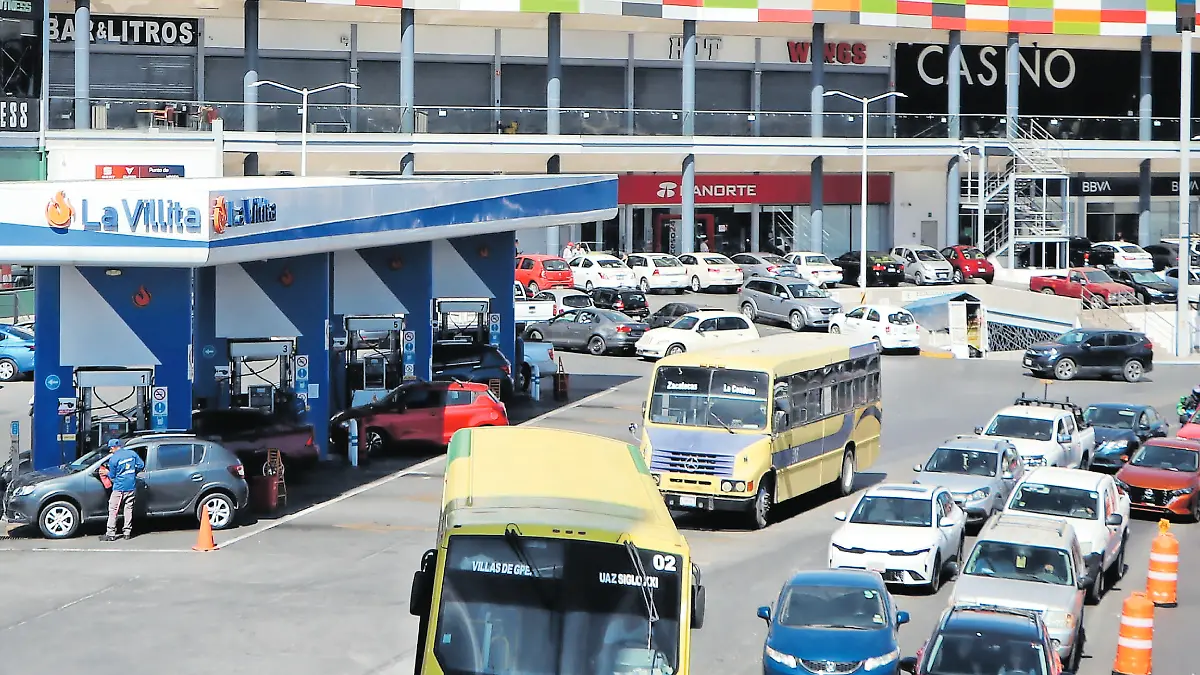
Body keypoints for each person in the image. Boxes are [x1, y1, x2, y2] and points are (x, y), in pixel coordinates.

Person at [102, 439, 144, 541]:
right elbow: (141, 465)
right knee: (128, 509)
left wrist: (106, 472)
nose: (110, 451)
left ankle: (111, 533)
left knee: (113, 510)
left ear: (113, 447)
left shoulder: (113, 459)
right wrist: (132, 473)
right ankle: (127, 532)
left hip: (119, 488)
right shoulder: (132, 453)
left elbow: (112, 475)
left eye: (110, 448)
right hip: (131, 486)